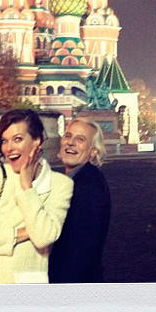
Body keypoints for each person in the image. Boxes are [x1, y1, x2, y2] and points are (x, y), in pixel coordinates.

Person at [0, 109, 74, 284]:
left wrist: (27, 187)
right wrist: (24, 233)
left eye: (17, 139)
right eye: (4, 141)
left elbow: (43, 238)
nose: (9, 148)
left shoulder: (61, 184)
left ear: (37, 141)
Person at [48, 117, 111, 283]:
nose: (71, 142)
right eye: (68, 136)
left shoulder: (90, 186)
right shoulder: (71, 179)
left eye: (80, 139)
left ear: (93, 151)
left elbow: (83, 250)